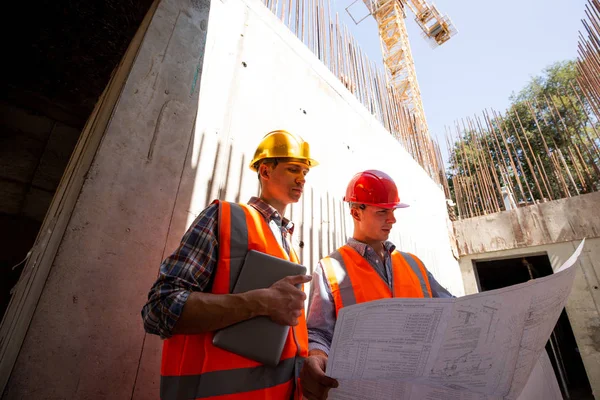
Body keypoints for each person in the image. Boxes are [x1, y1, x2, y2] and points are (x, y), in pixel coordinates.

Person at [141, 130, 318, 400]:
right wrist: (257, 303)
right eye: (294, 169)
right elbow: (160, 308)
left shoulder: (289, 246)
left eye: (305, 172)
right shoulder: (224, 217)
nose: (301, 179)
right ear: (266, 171)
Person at [300, 169, 454, 400]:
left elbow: (454, 312)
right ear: (356, 213)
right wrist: (317, 354)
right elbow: (319, 333)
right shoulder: (330, 269)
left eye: (392, 211)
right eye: (383, 212)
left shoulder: (414, 265)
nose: (392, 219)